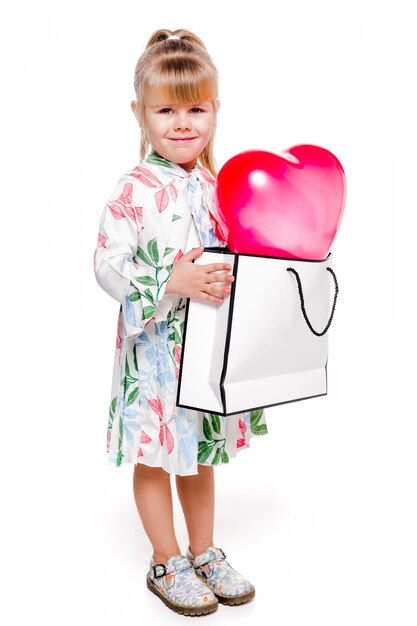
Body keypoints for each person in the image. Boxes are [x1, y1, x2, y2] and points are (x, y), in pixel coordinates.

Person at [93, 28, 269, 616]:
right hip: (154, 357)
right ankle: (166, 558)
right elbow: (108, 266)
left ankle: (204, 550)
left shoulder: (220, 190)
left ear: (215, 110)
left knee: (197, 455)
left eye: (196, 108)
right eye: (166, 109)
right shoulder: (133, 191)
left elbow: (240, 257)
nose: (182, 122)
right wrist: (169, 280)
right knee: (155, 453)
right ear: (140, 113)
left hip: (206, 355)